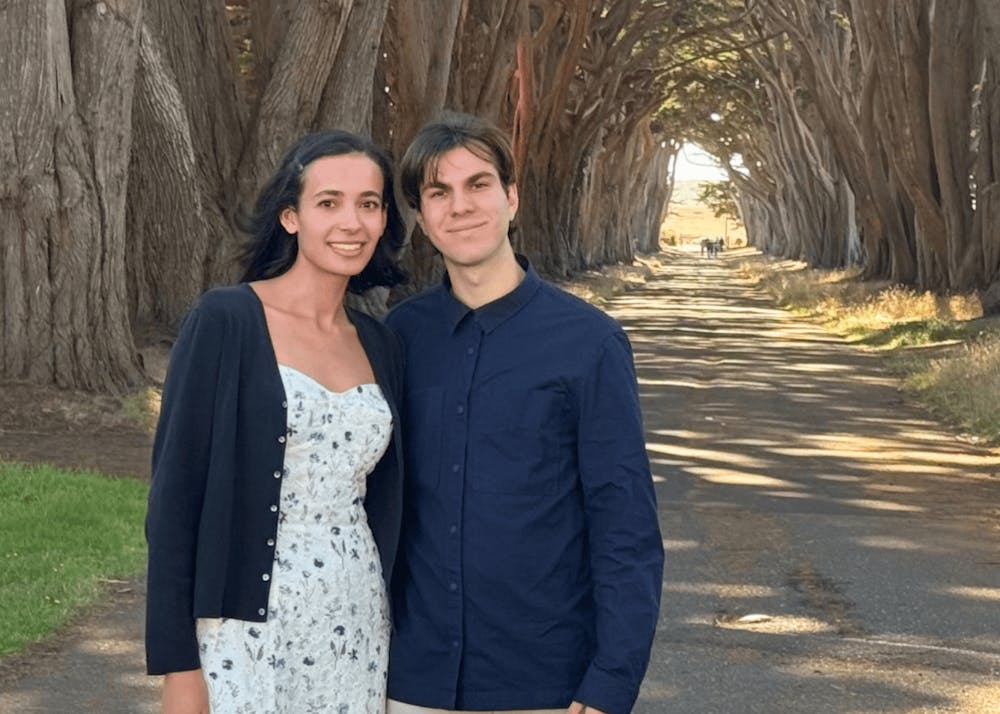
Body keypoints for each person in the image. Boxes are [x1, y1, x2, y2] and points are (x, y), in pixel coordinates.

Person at [384, 112, 664, 714]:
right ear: (423, 218)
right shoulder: (398, 339)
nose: (460, 206)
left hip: (544, 685)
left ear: (512, 197)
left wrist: (613, 679)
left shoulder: (589, 343)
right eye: (439, 192)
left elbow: (626, 526)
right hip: (408, 682)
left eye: (478, 185)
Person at [145, 129, 407, 714]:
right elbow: (174, 501)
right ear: (291, 217)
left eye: (369, 204)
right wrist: (178, 667)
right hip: (246, 628)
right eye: (329, 202)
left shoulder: (380, 343)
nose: (352, 221)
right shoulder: (227, 320)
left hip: (356, 620)